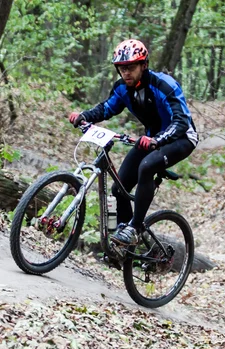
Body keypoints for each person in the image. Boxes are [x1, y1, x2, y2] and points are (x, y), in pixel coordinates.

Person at [68, 39, 198, 246]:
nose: (125, 73)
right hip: (150, 139)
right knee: (118, 188)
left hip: (181, 138)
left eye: (130, 67)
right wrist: (84, 116)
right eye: (121, 68)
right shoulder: (122, 88)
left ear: (144, 65)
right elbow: (106, 109)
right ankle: (122, 240)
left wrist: (158, 139)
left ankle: (135, 228)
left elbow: (181, 121)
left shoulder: (164, 85)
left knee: (146, 167)